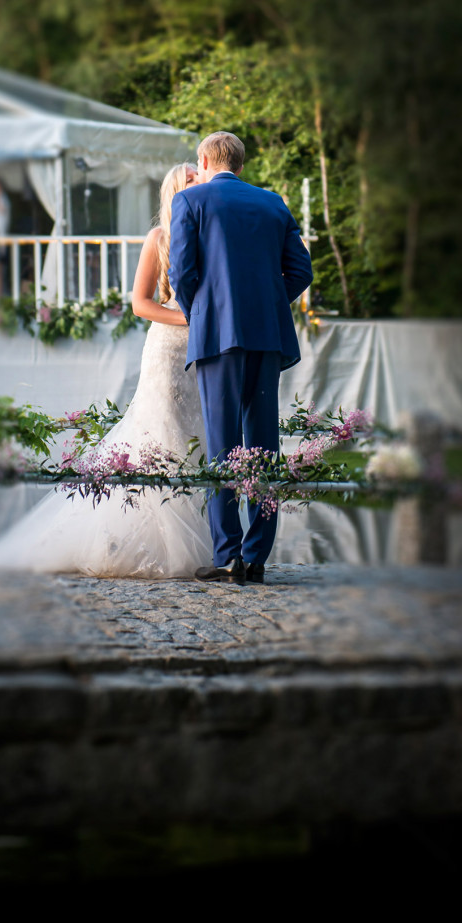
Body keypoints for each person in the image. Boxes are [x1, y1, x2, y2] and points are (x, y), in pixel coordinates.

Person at [0, 162, 212, 578]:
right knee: (162, 436)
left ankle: (205, 539)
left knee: (196, 439)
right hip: (168, 349)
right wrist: (189, 320)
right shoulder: (160, 238)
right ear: (174, 192)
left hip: (204, 354)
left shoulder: (211, 234)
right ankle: (163, 546)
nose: (198, 182)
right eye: (190, 179)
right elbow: (140, 304)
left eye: (199, 178)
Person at [169, 131, 313, 586]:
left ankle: (228, 556)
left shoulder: (190, 202)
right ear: (240, 164)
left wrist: (202, 314)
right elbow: (301, 270)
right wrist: (270, 305)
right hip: (266, 337)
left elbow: (182, 272)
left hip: (218, 338)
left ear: (206, 160)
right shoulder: (273, 203)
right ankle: (256, 558)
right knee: (263, 446)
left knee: (222, 443)